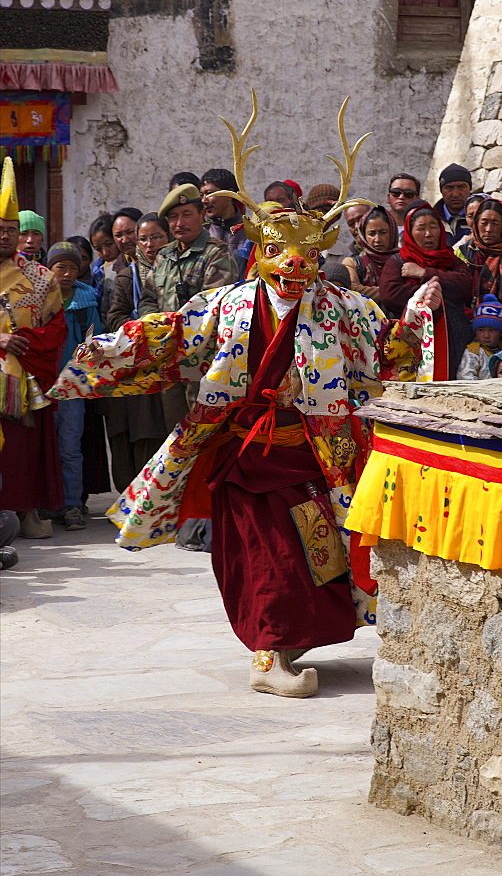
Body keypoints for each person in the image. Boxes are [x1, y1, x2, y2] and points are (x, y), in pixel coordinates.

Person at [51, 98, 443, 698]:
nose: (295, 267)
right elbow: (172, 337)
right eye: (283, 257)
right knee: (264, 558)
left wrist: (418, 314)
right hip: (244, 454)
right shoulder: (228, 304)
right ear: (261, 255)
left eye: (307, 259)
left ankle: (289, 641)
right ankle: (269, 655)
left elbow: (390, 353)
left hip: (314, 454)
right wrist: (103, 353)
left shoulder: (342, 309)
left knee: (320, 551)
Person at [0, 159, 66, 540]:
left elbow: (55, 328)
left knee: (22, 452)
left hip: (24, 380)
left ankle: (25, 513)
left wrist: (24, 349)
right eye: (0, 229)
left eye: (12, 230)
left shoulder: (40, 277)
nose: (6, 236)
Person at [139, 183, 237, 430]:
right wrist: (154, 328)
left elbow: (214, 306)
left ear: (202, 215)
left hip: (204, 361)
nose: (179, 223)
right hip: (169, 360)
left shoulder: (216, 253)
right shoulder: (163, 256)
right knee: (176, 431)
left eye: (186, 215)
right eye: (173, 218)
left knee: (206, 431)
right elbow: (148, 299)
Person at [106, 214, 170, 491]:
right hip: (137, 362)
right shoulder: (126, 276)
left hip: (171, 361)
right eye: (143, 239)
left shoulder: (175, 270)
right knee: (138, 432)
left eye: (155, 237)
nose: (149, 244)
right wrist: (145, 328)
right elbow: (114, 318)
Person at [379, 201, 473, 378]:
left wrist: (424, 273)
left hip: (454, 338)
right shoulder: (398, 261)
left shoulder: (451, 260)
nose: (428, 234)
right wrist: (435, 295)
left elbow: (465, 285)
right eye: (421, 228)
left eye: (433, 227)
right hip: (411, 340)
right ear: (410, 232)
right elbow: (391, 295)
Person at [47, 242, 102, 531]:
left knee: (70, 447)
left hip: (71, 388)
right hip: (40, 386)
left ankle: (71, 505)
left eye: (72, 267)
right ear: (49, 269)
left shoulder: (86, 300)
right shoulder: (37, 298)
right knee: (43, 448)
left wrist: (88, 354)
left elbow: (96, 339)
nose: (67, 274)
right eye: (60, 267)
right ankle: (45, 504)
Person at [459, 197, 502, 307]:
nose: (488, 229)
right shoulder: (463, 253)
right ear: (476, 224)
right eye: (484, 222)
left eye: (495, 223)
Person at [341, 206, 399, 308]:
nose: (377, 239)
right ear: (363, 235)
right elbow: (352, 290)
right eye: (372, 234)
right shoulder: (353, 263)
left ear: (392, 232)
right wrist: (396, 292)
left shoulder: (405, 260)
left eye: (383, 232)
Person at [306, 184, 356, 284]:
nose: (329, 217)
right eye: (325, 210)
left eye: (335, 214)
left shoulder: (344, 252)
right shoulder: (290, 243)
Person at [200, 168, 246, 271]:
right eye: (201, 195)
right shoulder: (201, 233)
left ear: (229, 194)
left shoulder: (250, 233)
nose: (204, 200)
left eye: (209, 193)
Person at [456, 294, 502, 380]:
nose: (486, 335)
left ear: (501, 332)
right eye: (481, 330)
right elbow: (465, 377)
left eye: (492, 330)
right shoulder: (473, 353)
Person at [90, 215, 120, 324]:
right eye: (98, 249)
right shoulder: (97, 272)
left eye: (109, 244)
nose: (105, 252)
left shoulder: (131, 267)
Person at [433, 164, 473, 246]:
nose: (455, 194)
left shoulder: (481, 218)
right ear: (441, 190)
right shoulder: (432, 219)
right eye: (449, 188)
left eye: (461, 187)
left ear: (470, 188)